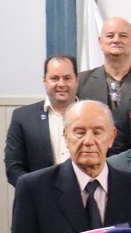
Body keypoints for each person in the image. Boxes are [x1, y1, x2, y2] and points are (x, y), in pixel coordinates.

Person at [9, 100, 131, 233]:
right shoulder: (33, 189)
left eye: (97, 132)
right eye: (80, 132)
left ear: (111, 137)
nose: (88, 141)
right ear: (66, 136)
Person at [5, 54, 79, 186]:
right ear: (45, 81)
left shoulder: (94, 116)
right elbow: (13, 168)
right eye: (54, 78)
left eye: (67, 78)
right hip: (39, 200)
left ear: (77, 80)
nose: (61, 84)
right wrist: (36, 193)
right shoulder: (23, 118)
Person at [77, 16, 131, 111]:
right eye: (110, 36)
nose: (116, 40)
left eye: (123, 36)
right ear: (100, 42)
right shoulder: (81, 82)